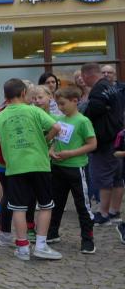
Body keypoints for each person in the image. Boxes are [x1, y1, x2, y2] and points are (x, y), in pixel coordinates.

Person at [0, 78, 62, 261]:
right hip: (39, 164)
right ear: (24, 93)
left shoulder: (1, 115)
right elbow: (56, 127)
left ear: (6, 96)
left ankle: (23, 248)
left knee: (18, 208)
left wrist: (1, 143)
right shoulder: (33, 110)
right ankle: (41, 245)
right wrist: (46, 140)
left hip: (15, 167)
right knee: (45, 205)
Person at [47, 86, 97, 254]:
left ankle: (88, 239)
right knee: (56, 202)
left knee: (82, 205)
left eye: (63, 104)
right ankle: (52, 232)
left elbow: (92, 144)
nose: (60, 107)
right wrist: (51, 150)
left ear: (75, 101)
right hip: (58, 168)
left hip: (76, 168)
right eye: (58, 104)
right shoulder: (60, 120)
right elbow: (55, 140)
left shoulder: (83, 121)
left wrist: (71, 153)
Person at [81, 63, 124, 225]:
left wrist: (86, 113)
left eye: (83, 78)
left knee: (103, 176)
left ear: (87, 75)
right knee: (117, 177)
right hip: (117, 137)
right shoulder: (111, 87)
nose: (83, 81)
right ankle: (114, 212)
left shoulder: (98, 89)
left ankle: (103, 214)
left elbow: (95, 108)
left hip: (105, 140)